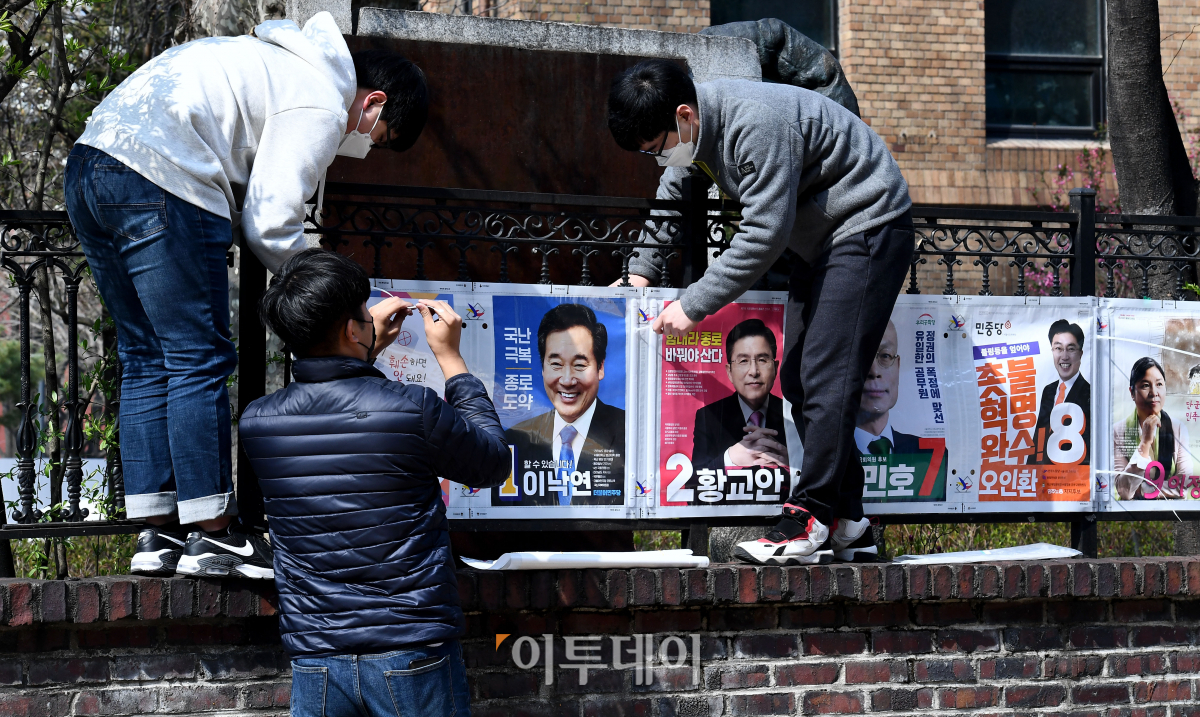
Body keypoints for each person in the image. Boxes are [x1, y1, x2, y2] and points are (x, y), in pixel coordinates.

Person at [63, 12, 429, 577]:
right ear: (373, 102)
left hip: (91, 165)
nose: (363, 146)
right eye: (377, 137)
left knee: (146, 356)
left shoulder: (276, 62)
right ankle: (214, 536)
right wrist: (343, 299)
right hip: (163, 176)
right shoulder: (322, 99)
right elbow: (271, 225)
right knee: (198, 358)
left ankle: (156, 534)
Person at [606, 59, 913, 565]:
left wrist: (693, 305)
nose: (658, 159)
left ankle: (808, 517)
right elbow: (671, 197)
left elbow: (764, 234)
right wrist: (640, 270)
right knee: (798, 379)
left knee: (826, 375)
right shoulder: (694, 131)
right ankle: (852, 523)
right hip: (823, 240)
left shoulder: (755, 123)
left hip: (868, 223)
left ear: (684, 115)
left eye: (656, 147)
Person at [239, 249, 510, 717]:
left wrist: (365, 348)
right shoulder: (411, 407)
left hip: (317, 656)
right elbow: (492, 463)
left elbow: (347, 409)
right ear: (351, 329)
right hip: (411, 646)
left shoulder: (258, 422)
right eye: (365, 313)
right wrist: (451, 359)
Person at [503, 303, 626, 506]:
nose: (567, 380)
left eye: (579, 365)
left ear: (600, 368)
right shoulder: (515, 440)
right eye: (556, 364)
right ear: (543, 368)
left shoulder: (630, 433)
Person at [854, 320, 947, 510]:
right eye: (863, 357)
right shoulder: (826, 458)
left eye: (885, 356)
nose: (874, 372)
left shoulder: (931, 456)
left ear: (897, 366)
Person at [692, 318, 787, 471]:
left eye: (762, 360)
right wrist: (729, 459)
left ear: (775, 368)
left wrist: (792, 462)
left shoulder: (793, 415)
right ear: (729, 372)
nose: (754, 371)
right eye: (743, 361)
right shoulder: (709, 417)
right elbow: (695, 479)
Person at [1114, 357, 1192, 500]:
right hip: (1132, 513)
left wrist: (1144, 489)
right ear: (1132, 392)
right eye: (1145, 385)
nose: (1154, 392)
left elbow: (1184, 485)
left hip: (1171, 512)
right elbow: (1124, 491)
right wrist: (1145, 443)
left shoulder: (1178, 428)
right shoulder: (1118, 431)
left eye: (1159, 384)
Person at [1034, 319, 1091, 465]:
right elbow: (1040, 437)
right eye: (1058, 348)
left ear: (1080, 354)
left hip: (1072, 473)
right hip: (1043, 473)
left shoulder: (1090, 393)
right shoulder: (1049, 390)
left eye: (1071, 349)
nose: (1064, 356)